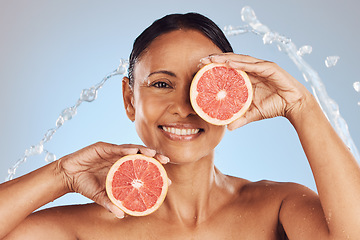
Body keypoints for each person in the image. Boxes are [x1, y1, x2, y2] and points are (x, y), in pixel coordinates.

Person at [1, 12, 360, 240]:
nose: (184, 107)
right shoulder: (84, 229)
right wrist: (61, 175)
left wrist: (302, 106)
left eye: (203, 86)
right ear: (129, 99)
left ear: (232, 96)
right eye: (161, 84)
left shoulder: (278, 207)